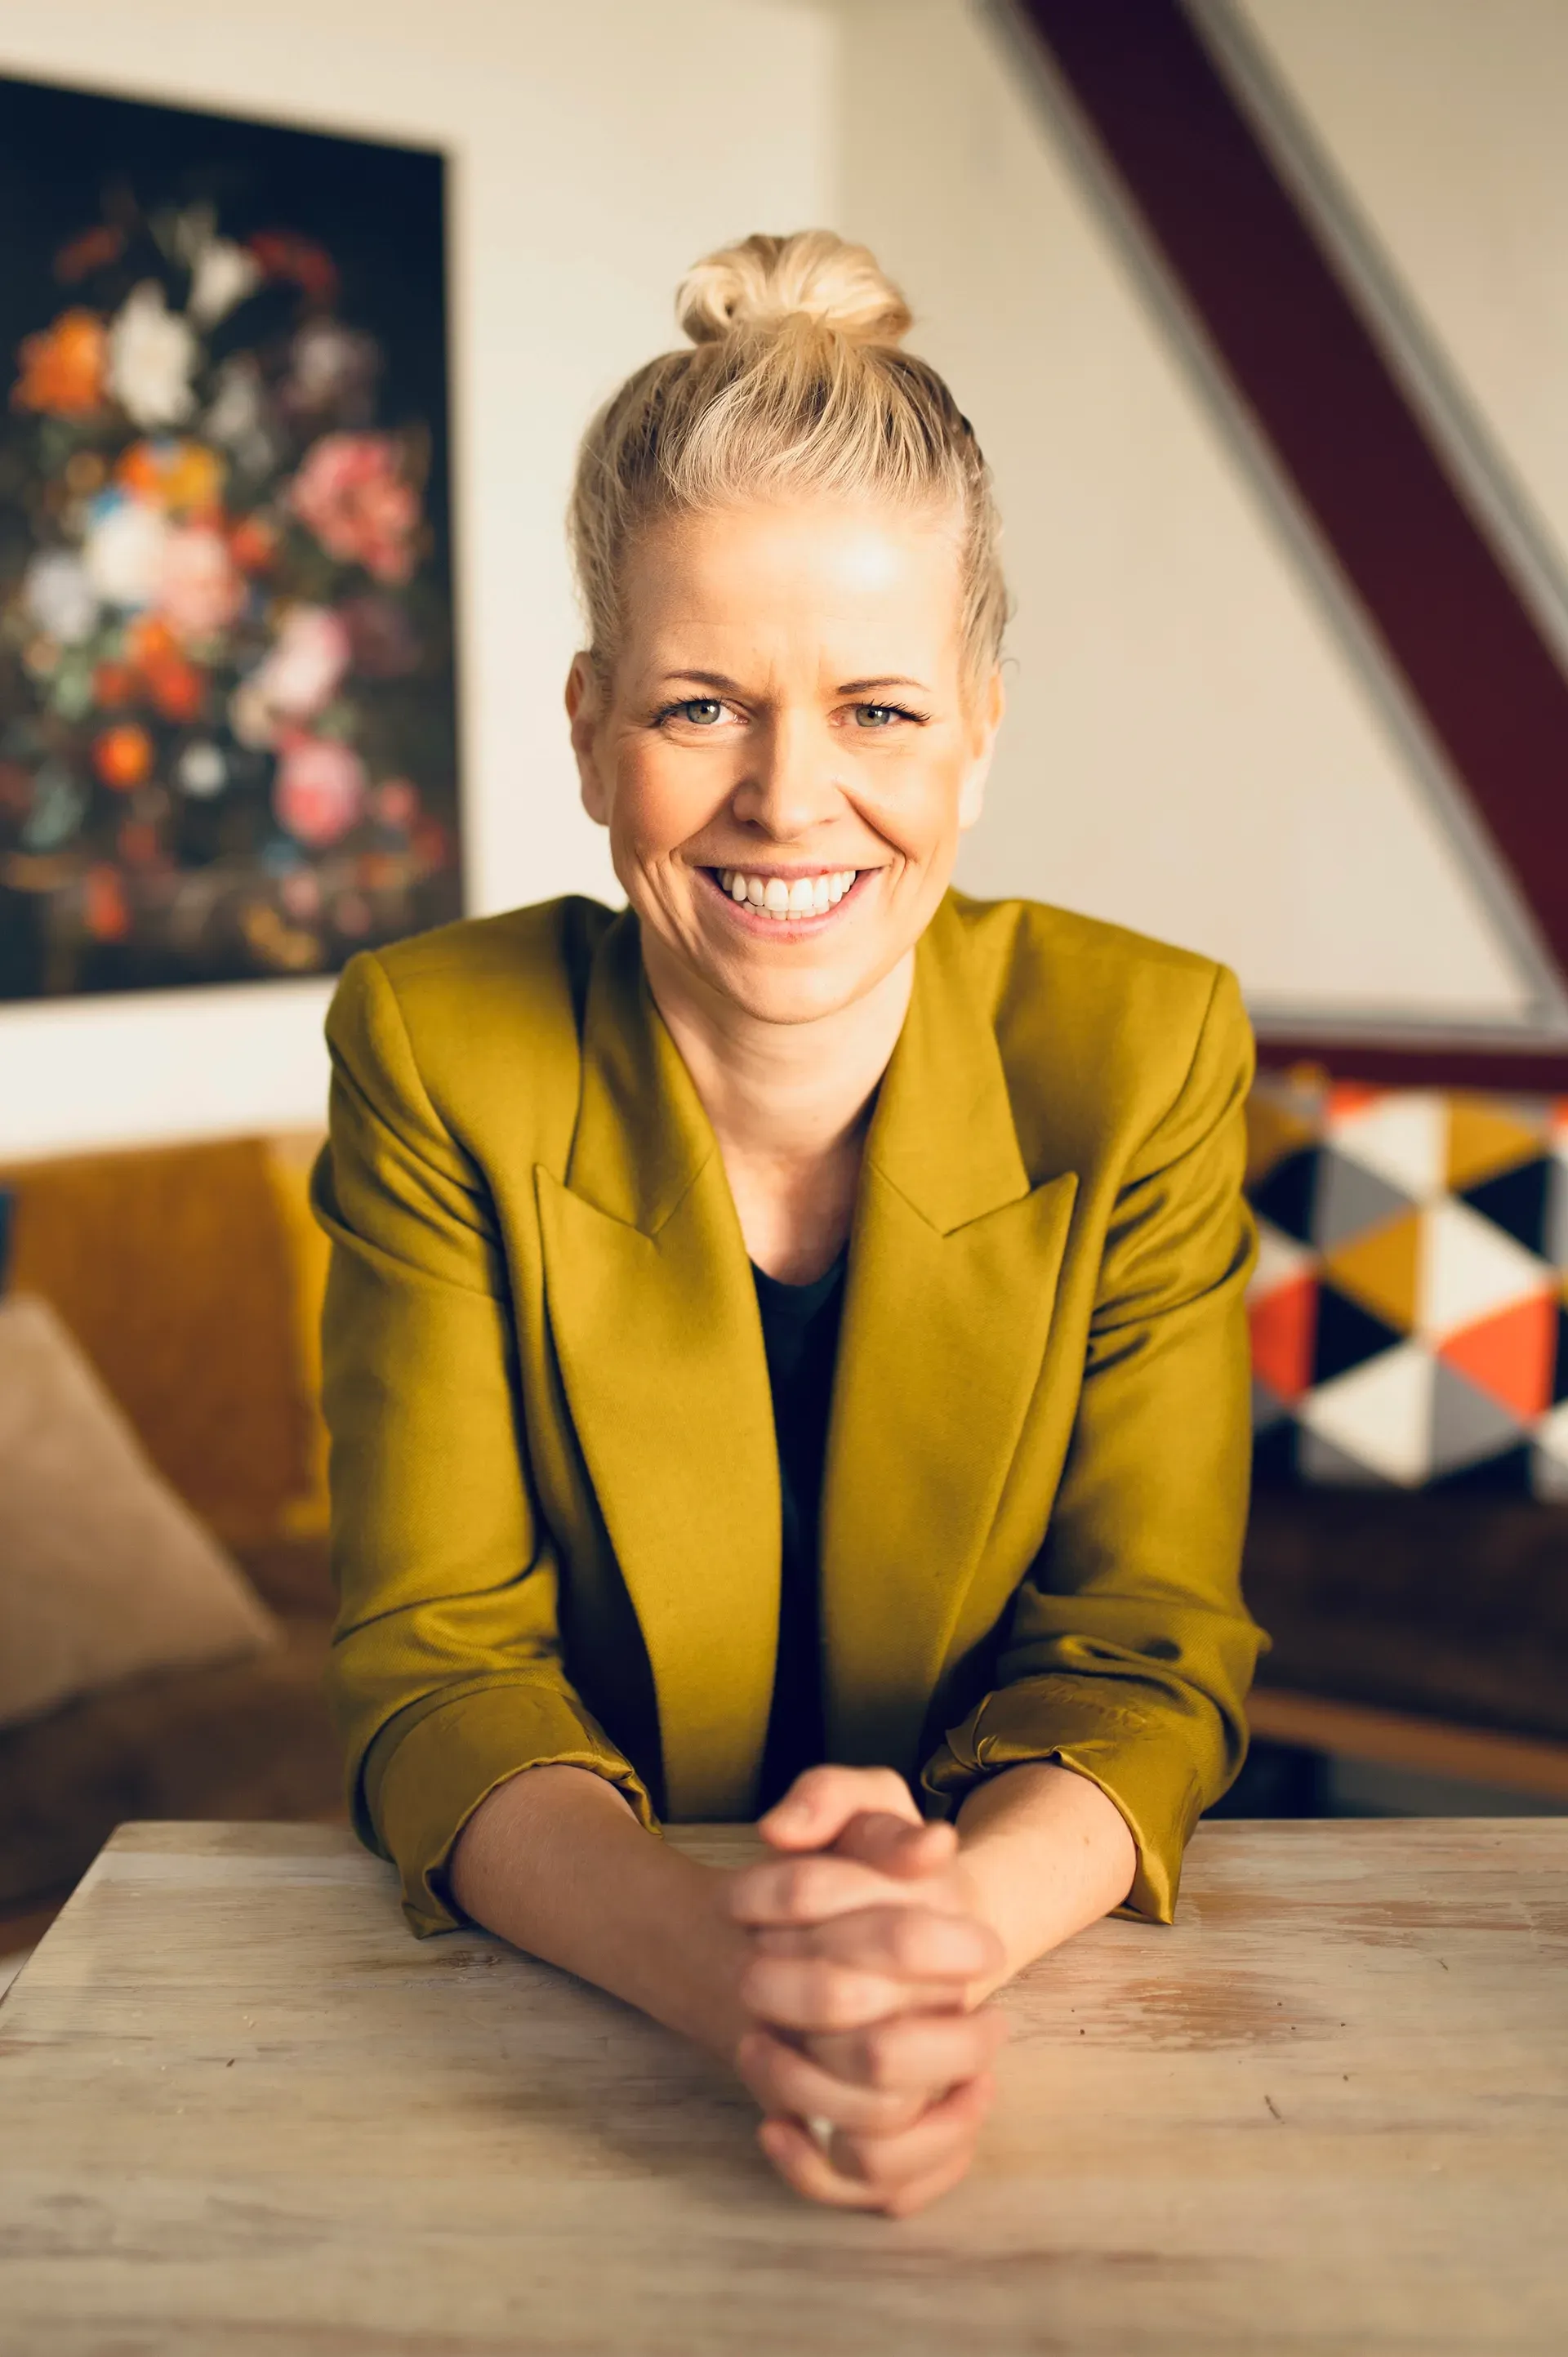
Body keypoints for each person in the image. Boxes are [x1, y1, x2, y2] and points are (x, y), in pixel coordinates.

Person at [314, 230, 1261, 2217]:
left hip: (1024, 1999)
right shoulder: (433, 1045)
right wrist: (742, 1982)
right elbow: (441, 1673)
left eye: (881, 710)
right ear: (591, 728)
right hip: (564, 2034)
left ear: (981, 729)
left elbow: (1144, 1654)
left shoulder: (1148, 1048)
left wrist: (935, 1954)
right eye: (699, 708)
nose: (788, 797)